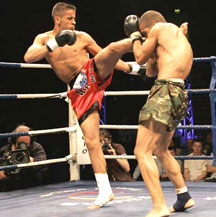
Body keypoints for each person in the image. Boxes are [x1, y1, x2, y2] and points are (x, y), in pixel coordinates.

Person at [24, 2, 140, 209]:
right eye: (70, 18)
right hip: (79, 90)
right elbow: (29, 57)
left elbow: (105, 56)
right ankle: (105, 191)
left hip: (90, 72)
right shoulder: (44, 40)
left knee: (112, 48)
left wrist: (131, 69)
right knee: (92, 141)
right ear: (57, 19)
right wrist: (55, 43)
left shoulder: (82, 37)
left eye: (75, 18)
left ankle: (141, 39)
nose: (74, 21)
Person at [124, 10, 194, 217]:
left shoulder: (158, 28)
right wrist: (153, 52)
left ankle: (159, 206)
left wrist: (134, 36)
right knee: (161, 150)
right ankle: (184, 196)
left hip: (165, 91)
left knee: (141, 151)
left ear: (147, 29)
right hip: (179, 94)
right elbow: (150, 71)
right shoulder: (174, 36)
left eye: (144, 35)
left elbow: (138, 57)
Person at [0, 125, 47, 191]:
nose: (23, 146)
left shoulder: (36, 147)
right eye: (20, 143)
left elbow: (44, 164)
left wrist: (32, 160)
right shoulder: (5, 149)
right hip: (10, 185)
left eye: (26, 144)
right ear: (14, 140)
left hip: (32, 184)